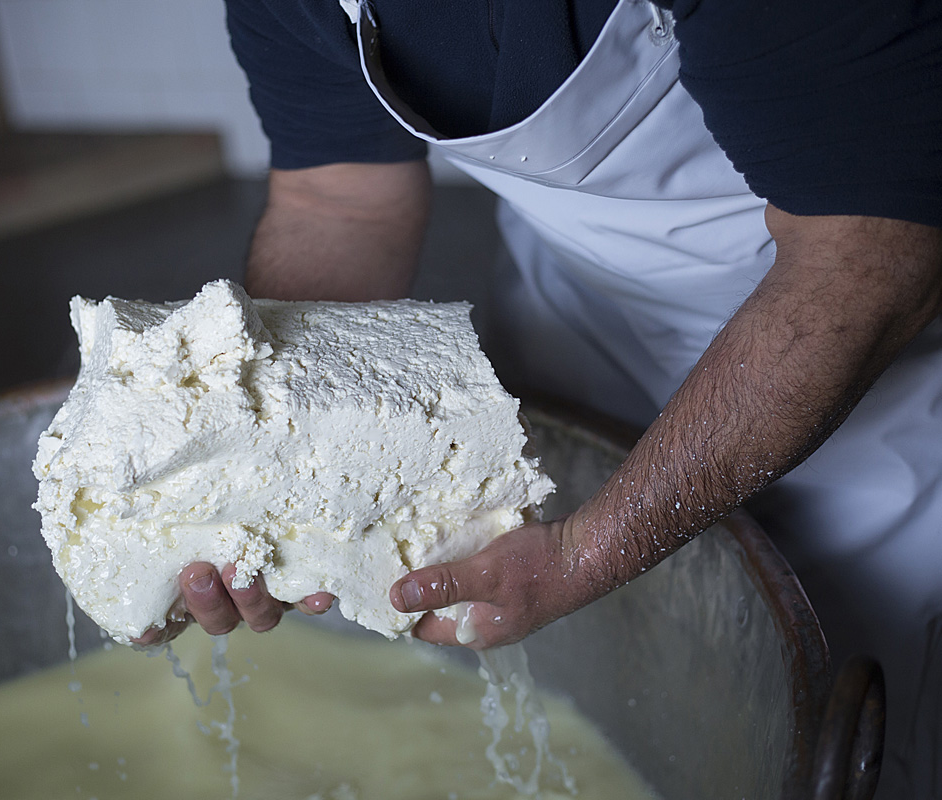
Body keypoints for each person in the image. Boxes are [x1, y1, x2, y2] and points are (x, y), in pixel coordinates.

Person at [138, 1, 942, 796]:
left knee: (835, 721)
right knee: (603, 683)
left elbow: (868, 255)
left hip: (861, 381)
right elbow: (340, 200)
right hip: (579, 321)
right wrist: (256, 460)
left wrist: (581, 554)